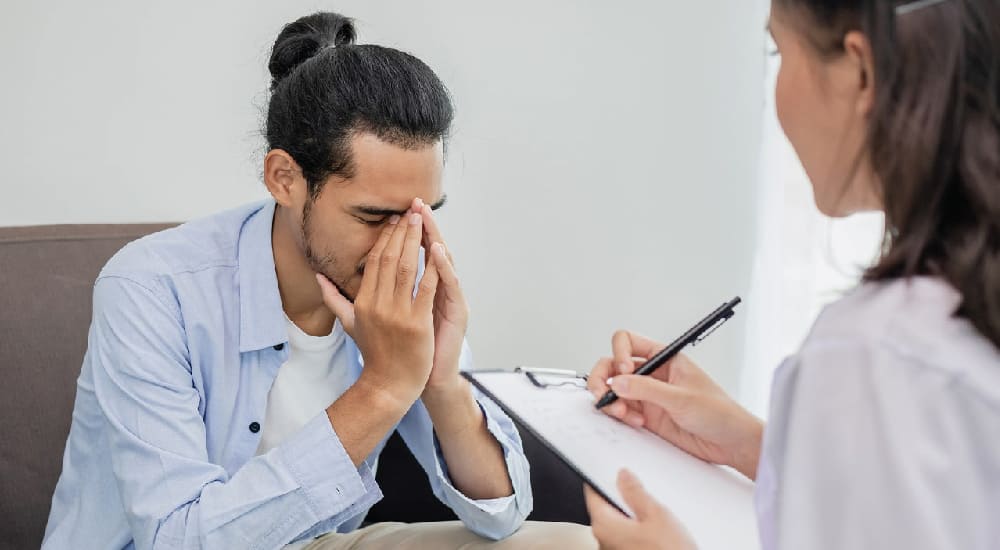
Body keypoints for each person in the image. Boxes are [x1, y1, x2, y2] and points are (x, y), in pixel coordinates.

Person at [43, 11, 593, 549]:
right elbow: (179, 540)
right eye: (373, 216)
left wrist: (441, 382)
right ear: (284, 178)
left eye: (421, 216)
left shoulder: (400, 292)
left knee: (581, 545)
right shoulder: (151, 288)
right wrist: (383, 387)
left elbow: (501, 517)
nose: (403, 248)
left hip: (317, 542)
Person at [584, 0, 1000, 548]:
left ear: (860, 71)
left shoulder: (876, 354)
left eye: (778, 51)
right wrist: (751, 443)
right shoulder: (947, 322)